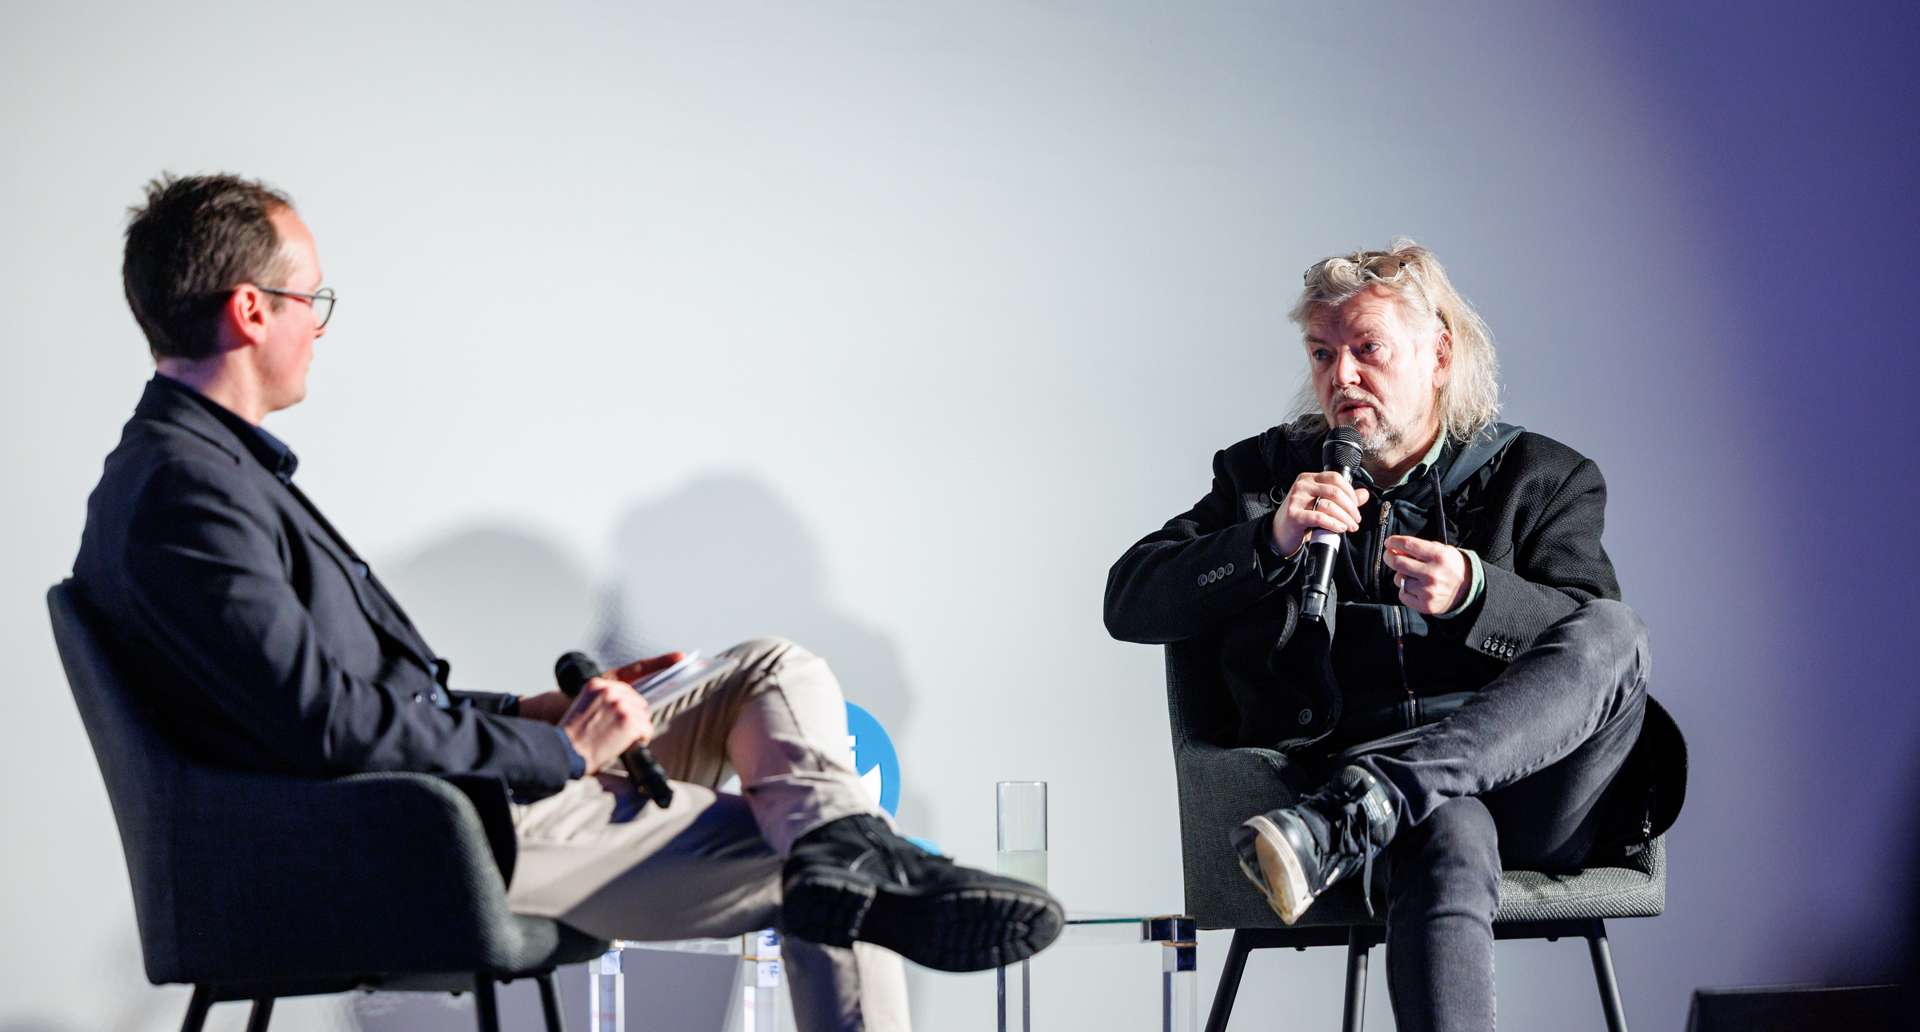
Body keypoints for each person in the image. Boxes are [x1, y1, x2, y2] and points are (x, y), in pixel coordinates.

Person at [73, 174, 1063, 1032]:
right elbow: (323, 725)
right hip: (432, 832)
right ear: (252, 311)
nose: (319, 328)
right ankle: (849, 856)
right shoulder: (187, 492)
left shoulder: (194, 472)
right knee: (825, 879)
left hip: (449, 790)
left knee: (767, 668)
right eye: (311, 301)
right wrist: (561, 752)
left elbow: (336, 700)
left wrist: (533, 712)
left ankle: (843, 843)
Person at [1104, 240, 1652, 1032]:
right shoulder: (1263, 478)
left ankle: (1372, 800)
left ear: (1439, 355)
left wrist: (1478, 595)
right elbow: (1128, 599)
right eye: (1322, 353)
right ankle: (1381, 801)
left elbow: (1597, 664)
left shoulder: (1542, 475)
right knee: (1444, 826)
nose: (1342, 376)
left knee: (1617, 629)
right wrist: (1268, 541)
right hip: (1371, 789)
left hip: (1536, 787)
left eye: (1368, 348)